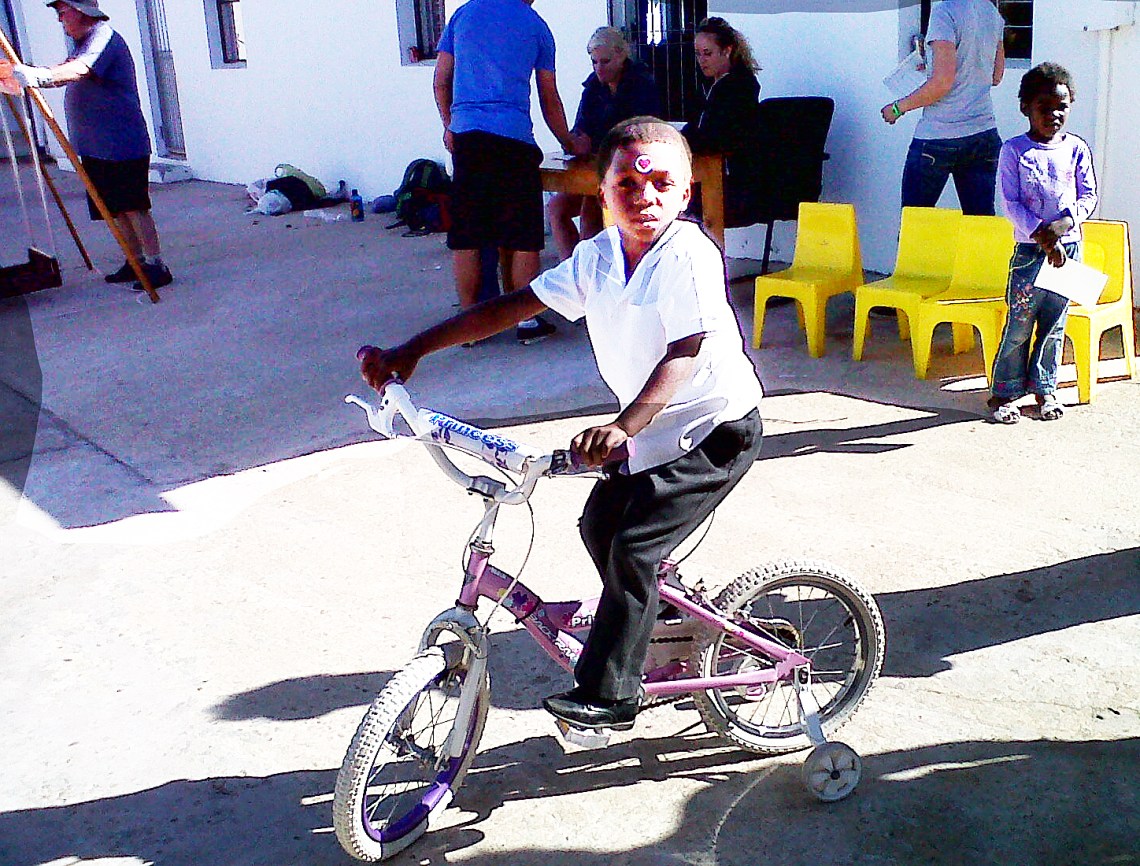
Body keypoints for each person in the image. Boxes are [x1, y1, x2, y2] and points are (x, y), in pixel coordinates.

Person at [359, 118, 764, 729]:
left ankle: (613, 695)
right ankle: (647, 624)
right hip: (652, 425)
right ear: (600, 193)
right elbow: (511, 307)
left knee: (633, 547)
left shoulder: (688, 255)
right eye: (627, 183)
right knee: (598, 523)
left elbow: (686, 349)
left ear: (685, 194)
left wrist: (623, 428)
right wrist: (412, 350)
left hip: (713, 428)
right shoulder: (598, 257)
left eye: (661, 184)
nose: (644, 196)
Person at [433, 0, 590, 344]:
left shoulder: (463, 14)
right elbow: (549, 97)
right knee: (523, 234)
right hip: (514, 140)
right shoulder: (536, 26)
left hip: (469, 139)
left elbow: (441, 81)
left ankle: (469, 326)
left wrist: (450, 125)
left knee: (468, 234)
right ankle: (527, 322)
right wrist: (567, 141)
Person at [13, 0, 172, 293]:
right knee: (114, 209)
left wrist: (41, 76)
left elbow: (79, 70)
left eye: (63, 13)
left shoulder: (103, 37)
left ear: (82, 12)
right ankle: (134, 260)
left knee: (133, 207)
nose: (60, 21)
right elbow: (67, 69)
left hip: (121, 143)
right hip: (96, 147)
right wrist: (29, 75)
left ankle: (155, 264)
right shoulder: (83, 42)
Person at [988, 62, 1097, 424]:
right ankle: (1005, 392)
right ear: (1026, 108)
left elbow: (1087, 195)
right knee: (1020, 324)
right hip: (1030, 253)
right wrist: (1043, 236)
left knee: (1055, 324)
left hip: (1068, 253)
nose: (1054, 114)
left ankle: (1045, 389)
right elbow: (1010, 202)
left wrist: (1066, 223)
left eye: (1061, 107)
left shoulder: (1076, 148)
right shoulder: (1014, 151)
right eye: (1044, 107)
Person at [880, 0, 1005, 216]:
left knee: (915, 226)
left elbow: (941, 84)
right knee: (980, 228)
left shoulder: (944, 12)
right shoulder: (992, 12)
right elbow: (996, 76)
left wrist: (898, 108)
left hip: (938, 136)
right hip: (983, 134)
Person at [546, 26, 660, 260]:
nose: (599, 68)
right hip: (594, 167)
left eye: (605, 61)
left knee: (591, 206)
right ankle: (572, 269)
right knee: (557, 208)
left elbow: (639, 131)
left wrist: (596, 141)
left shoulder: (641, 84)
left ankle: (592, 275)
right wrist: (575, 141)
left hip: (629, 168)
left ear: (621, 55)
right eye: (594, 62)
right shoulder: (592, 88)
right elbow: (580, 126)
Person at [682, 17, 763, 227]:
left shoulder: (740, 88)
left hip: (732, 179)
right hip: (704, 172)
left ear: (727, 51)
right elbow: (695, 127)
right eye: (698, 54)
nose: (702, 60)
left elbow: (721, 137)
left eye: (707, 53)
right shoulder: (706, 87)